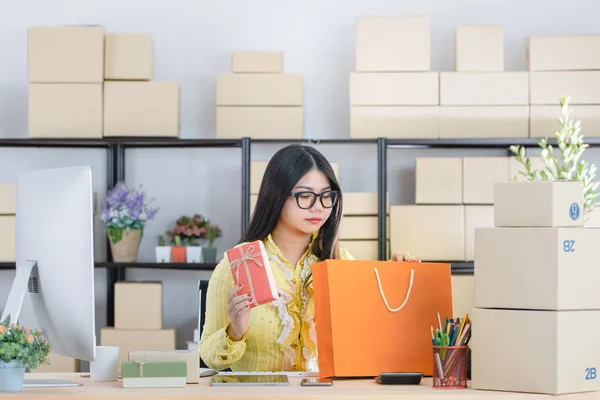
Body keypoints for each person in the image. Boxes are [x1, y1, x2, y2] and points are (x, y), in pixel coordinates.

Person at [199, 144, 419, 373]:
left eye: (326, 196)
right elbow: (209, 356)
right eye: (305, 196)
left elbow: (371, 340)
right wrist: (235, 332)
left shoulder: (341, 262)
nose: (318, 207)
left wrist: (397, 284)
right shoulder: (241, 263)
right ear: (276, 195)